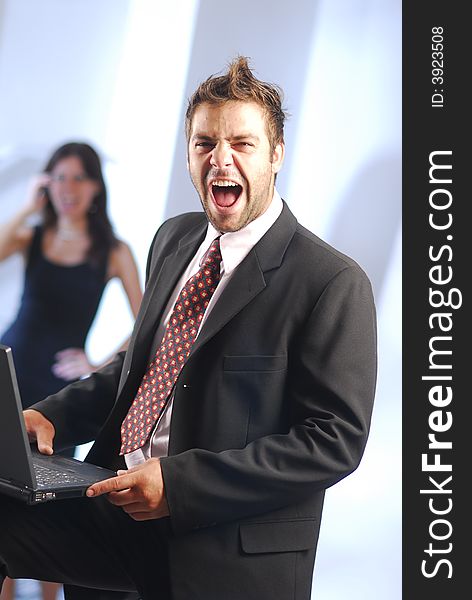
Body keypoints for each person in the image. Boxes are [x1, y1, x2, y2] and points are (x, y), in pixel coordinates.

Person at [0, 58, 377, 600]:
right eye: (204, 144)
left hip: (220, 544)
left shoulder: (332, 281)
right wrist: (49, 414)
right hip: (111, 505)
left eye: (242, 144)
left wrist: (178, 487)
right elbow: (139, 375)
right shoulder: (173, 240)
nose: (220, 159)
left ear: (276, 155)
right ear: (188, 153)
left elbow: (333, 440)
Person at [0, 142, 143, 600]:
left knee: (45, 502)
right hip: (13, 373)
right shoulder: (33, 236)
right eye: (59, 177)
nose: (68, 188)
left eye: (78, 177)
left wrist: (98, 365)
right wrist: (25, 209)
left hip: (60, 393)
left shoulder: (113, 250)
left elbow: (147, 323)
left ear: (96, 187)